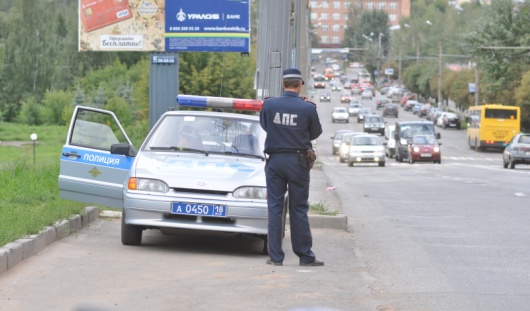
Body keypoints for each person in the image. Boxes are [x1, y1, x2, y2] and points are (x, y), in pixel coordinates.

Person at [259, 68, 324, 267]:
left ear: (282, 84)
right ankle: (305, 256)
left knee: (275, 208)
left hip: (276, 161)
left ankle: (276, 258)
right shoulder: (308, 108)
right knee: (298, 209)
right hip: (298, 162)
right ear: (300, 84)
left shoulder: (269, 104)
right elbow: (314, 133)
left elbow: (265, 126)